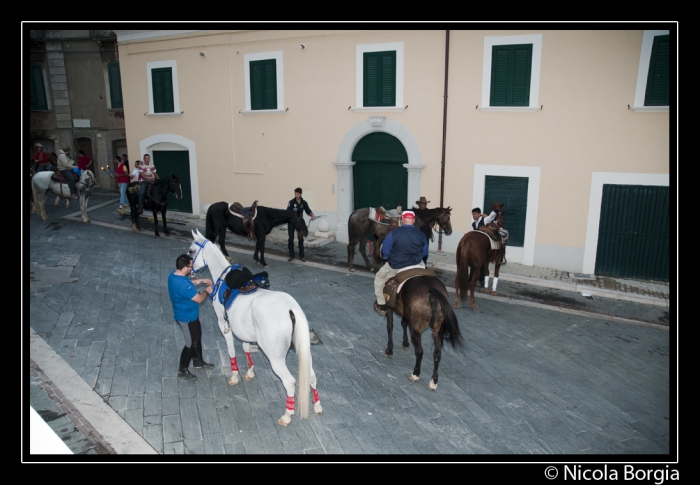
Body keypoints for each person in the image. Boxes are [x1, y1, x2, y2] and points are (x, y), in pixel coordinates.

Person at [167, 254, 215, 381]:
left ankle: (198, 362)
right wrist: (207, 291)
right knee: (190, 342)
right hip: (186, 317)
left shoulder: (173, 274)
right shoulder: (183, 285)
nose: (192, 269)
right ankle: (182, 370)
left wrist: (199, 281)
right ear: (184, 268)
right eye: (190, 266)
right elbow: (199, 299)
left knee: (197, 335)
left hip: (191, 315)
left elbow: (186, 282)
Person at [373, 210, 428, 315]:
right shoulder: (421, 234)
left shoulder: (394, 233)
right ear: (413, 220)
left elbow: (385, 251)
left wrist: (388, 257)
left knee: (379, 278)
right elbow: (424, 253)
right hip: (417, 265)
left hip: (396, 266)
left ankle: (381, 304)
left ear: (402, 220)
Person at [286, 187, 316, 262]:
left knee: (301, 239)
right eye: (296, 194)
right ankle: (291, 255)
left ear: (301, 194)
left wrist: (312, 214)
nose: (297, 195)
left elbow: (307, 210)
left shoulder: (304, 203)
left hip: (299, 223)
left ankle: (301, 256)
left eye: (298, 194)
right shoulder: (291, 202)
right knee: (291, 239)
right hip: (292, 222)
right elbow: (288, 212)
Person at [469, 207, 486, 287]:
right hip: (476, 246)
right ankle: (473, 279)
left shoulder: (484, 220)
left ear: (479, 214)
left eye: (475, 214)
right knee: (474, 263)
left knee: (481, 264)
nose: (473, 216)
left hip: (483, 246)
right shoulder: (473, 224)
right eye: (473, 214)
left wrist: (484, 215)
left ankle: (481, 279)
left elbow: (492, 216)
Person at [415, 196, 434, 264]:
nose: (422, 205)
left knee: (425, 250)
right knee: (417, 249)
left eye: (424, 204)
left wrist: (432, 224)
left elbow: (432, 221)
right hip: (417, 234)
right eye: (421, 204)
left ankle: (424, 263)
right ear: (419, 204)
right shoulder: (416, 212)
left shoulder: (429, 212)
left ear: (426, 204)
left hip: (426, 234)